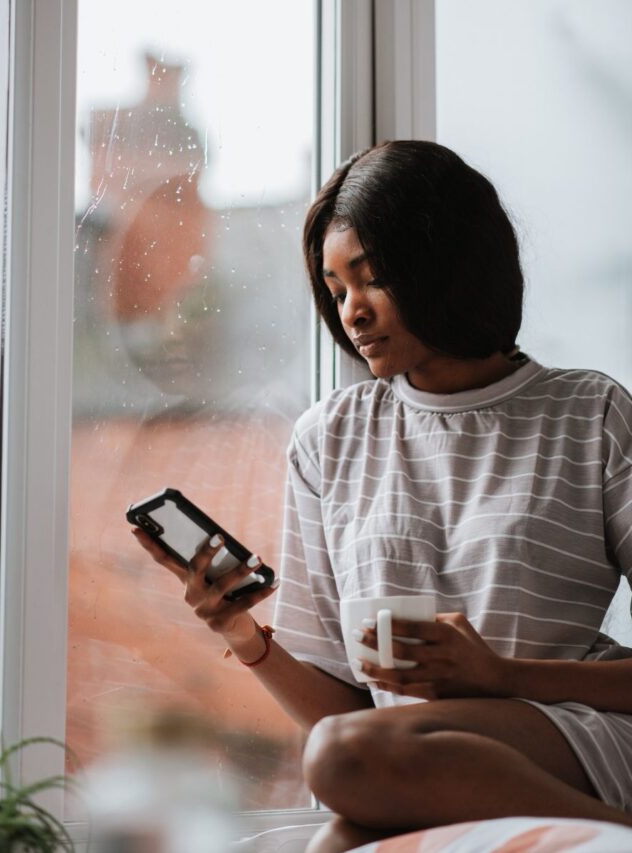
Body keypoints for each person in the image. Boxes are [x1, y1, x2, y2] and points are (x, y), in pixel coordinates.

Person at [133, 140, 632, 853]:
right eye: (336, 290)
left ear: (446, 264)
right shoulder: (328, 440)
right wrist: (242, 635)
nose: (351, 313)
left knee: (340, 760)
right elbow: (346, 714)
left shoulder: (593, 414)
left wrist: (501, 675)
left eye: (372, 280)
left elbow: (345, 747)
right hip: (400, 758)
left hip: (575, 737)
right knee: (335, 838)